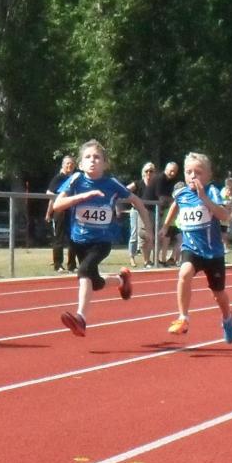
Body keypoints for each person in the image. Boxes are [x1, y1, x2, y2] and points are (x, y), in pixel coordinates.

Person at [53, 140, 153, 336]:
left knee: (83, 271)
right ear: (80, 164)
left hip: (102, 241)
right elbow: (58, 205)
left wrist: (148, 228)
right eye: (88, 157)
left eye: (97, 157)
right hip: (78, 240)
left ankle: (81, 319)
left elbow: (137, 201)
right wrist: (82, 197)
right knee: (95, 282)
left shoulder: (111, 183)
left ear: (105, 163)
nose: (92, 160)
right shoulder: (76, 180)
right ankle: (121, 280)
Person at [160, 152, 232, 343]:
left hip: (213, 253)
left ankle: (227, 317)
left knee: (218, 295)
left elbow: (224, 216)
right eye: (188, 172)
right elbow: (175, 206)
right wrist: (165, 226)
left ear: (208, 175)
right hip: (191, 249)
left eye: (198, 172)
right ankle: (183, 318)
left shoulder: (212, 192)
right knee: (184, 274)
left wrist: (204, 198)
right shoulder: (181, 193)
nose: (193, 176)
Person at [45, 155, 78, 272]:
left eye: (72, 164)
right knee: (59, 238)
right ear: (63, 165)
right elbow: (49, 193)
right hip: (60, 211)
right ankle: (58, 264)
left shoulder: (75, 178)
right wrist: (49, 212)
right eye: (67, 163)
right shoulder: (59, 178)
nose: (70, 165)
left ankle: (72, 265)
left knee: (73, 238)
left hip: (72, 212)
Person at [126, 162, 156, 268]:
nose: (149, 173)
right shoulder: (138, 183)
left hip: (150, 212)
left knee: (149, 235)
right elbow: (125, 190)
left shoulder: (155, 185)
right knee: (134, 234)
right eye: (146, 171)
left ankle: (147, 260)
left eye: (151, 171)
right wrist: (133, 200)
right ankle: (132, 257)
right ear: (143, 172)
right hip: (136, 211)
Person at [152, 162, 180, 265]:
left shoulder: (172, 181)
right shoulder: (160, 179)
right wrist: (173, 200)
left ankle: (163, 259)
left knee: (164, 237)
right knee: (157, 237)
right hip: (152, 209)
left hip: (163, 212)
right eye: (171, 171)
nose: (173, 173)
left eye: (175, 171)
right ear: (166, 169)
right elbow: (161, 197)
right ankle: (156, 260)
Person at [219, 177, 232, 253]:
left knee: (225, 232)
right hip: (222, 215)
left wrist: (231, 215)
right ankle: (223, 247)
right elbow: (224, 202)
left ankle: (225, 247)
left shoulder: (229, 194)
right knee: (222, 232)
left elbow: (230, 205)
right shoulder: (224, 191)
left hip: (226, 216)